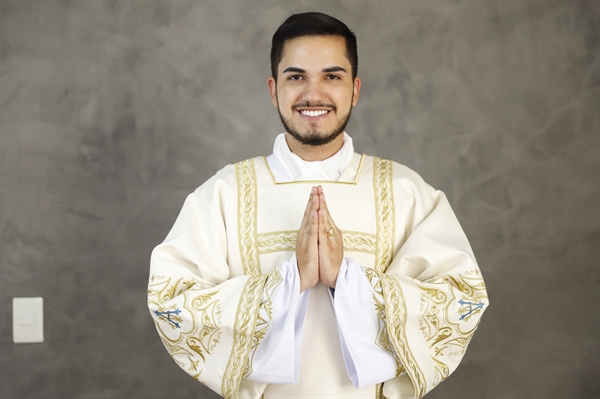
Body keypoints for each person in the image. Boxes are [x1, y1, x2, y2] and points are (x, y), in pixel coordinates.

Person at [148, 12, 488, 399]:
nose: (313, 94)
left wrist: (350, 280)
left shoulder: (405, 191)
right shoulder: (224, 194)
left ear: (355, 89)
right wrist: (289, 282)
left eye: (332, 76)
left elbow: (461, 300)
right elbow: (172, 304)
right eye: (296, 77)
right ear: (273, 89)